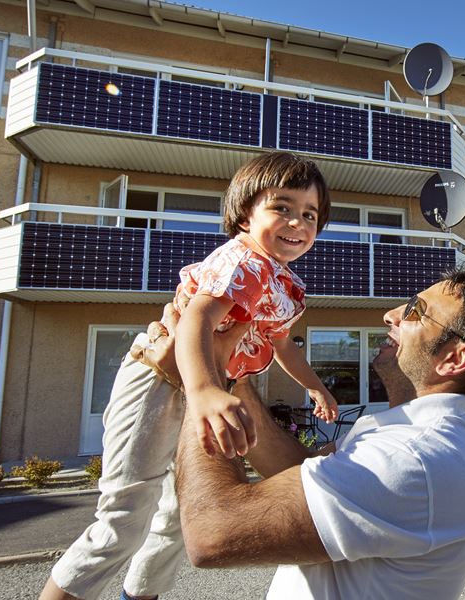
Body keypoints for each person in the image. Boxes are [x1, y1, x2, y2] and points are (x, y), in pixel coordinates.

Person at [41, 152, 339, 600]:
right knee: (124, 516)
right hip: (162, 380)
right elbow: (198, 315)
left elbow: (280, 346)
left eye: (309, 215)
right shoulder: (244, 261)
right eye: (282, 208)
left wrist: (313, 384)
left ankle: (139, 596)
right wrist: (202, 390)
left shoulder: (286, 287)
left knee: (173, 520)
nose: (297, 222)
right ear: (244, 214)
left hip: (206, 388)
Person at [143, 262, 465, 599]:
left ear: (454, 358)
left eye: (416, 311)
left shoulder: (411, 456)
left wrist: (200, 380)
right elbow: (296, 479)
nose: (392, 315)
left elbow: (213, 532)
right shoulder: (401, 433)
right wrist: (232, 376)